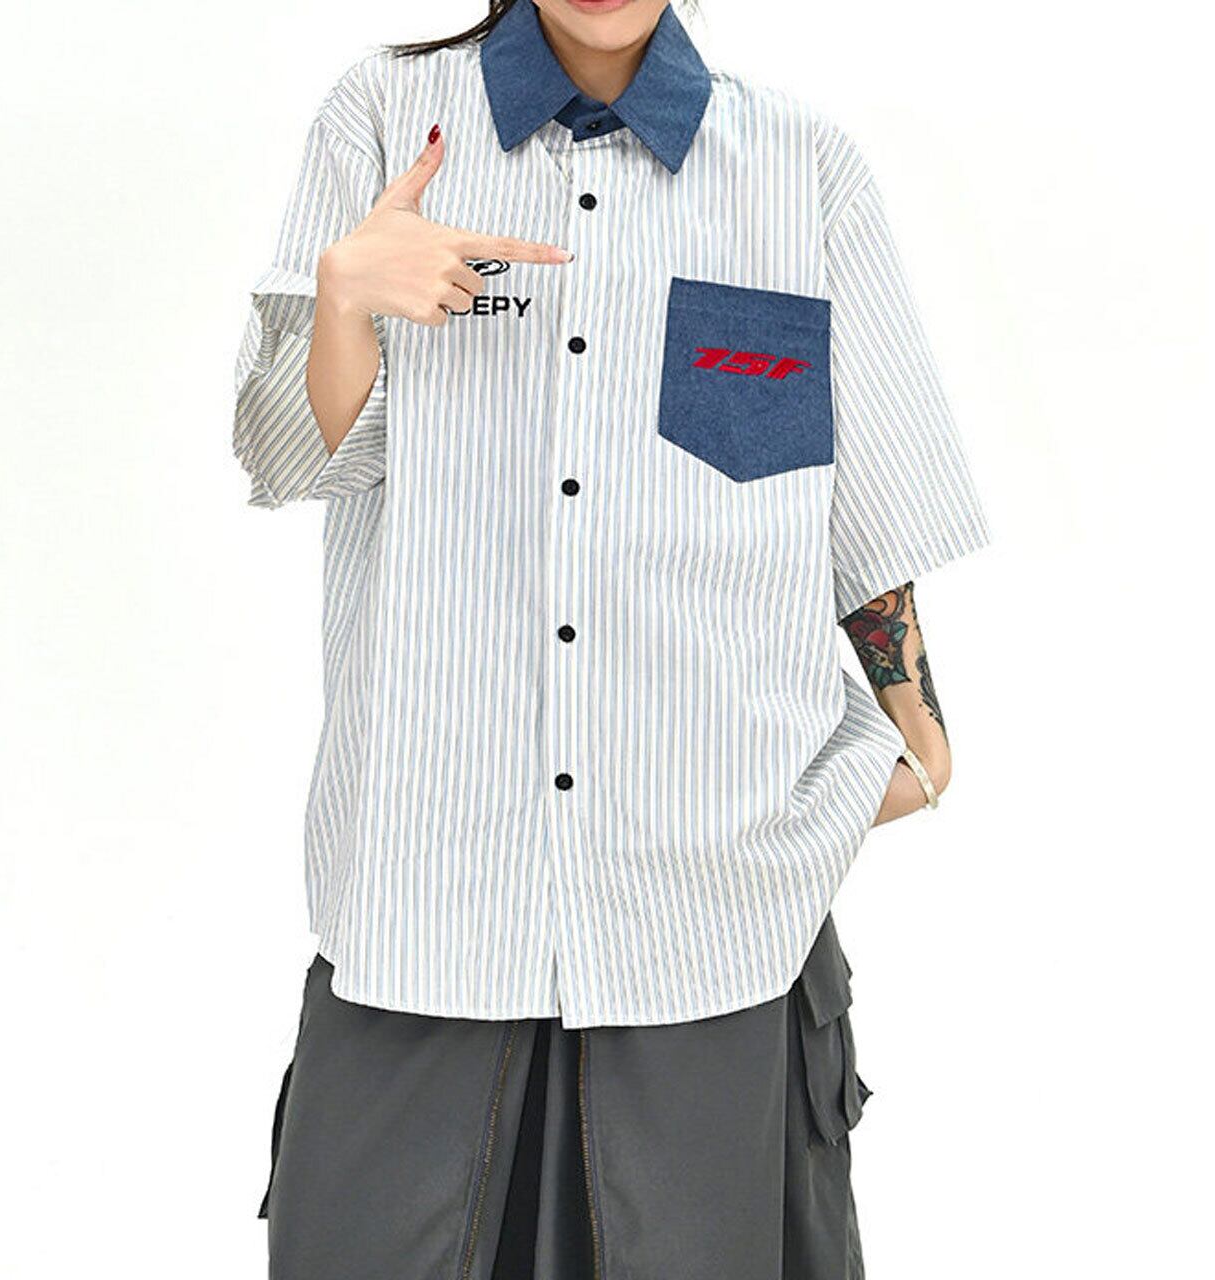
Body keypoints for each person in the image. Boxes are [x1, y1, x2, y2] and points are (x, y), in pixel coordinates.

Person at [230, 2, 990, 1276]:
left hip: (701, 921)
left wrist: (919, 738)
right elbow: (289, 456)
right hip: (428, 906)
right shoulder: (381, 117)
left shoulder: (800, 168)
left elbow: (867, 497)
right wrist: (345, 301)